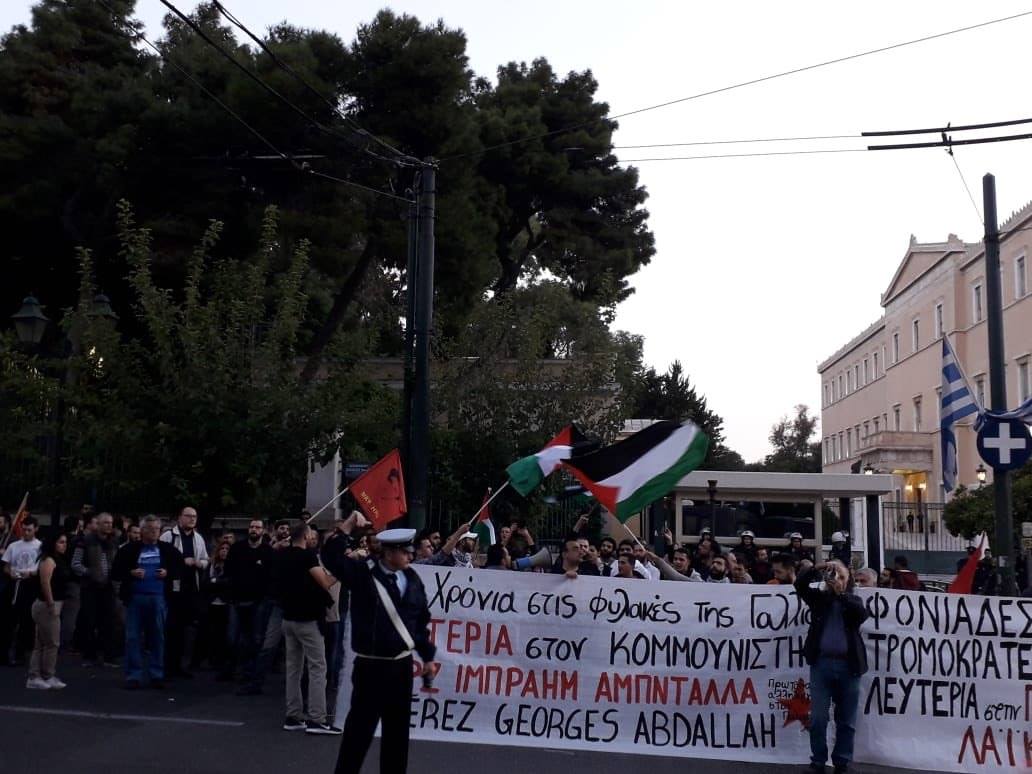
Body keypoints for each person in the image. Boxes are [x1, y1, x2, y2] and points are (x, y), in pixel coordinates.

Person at [325, 528, 436, 774]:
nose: (411, 557)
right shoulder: (363, 574)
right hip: (371, 667)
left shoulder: (413, 579)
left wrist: (427, 656)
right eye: (406, 552)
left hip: (401, 667)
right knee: (358, 734)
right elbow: (331, 558)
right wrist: (346, 528)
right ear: (390, 552)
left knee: (397, 736)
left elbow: (418, 621)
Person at [795, 560, 870, 774]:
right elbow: (800, 585)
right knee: (818, 718)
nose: (836, 579)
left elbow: (861, 615)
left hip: (849, 667)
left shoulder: (852, 601)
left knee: (846, 720)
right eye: (833, 576)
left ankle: (842, 762)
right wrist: (816, 568)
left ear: (848, 581)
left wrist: (841, 594)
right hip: (822, 665)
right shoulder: (819, 600)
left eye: (841, 576)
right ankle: (818, 761)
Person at [278, 522, 339, 735]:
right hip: (308, 619)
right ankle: (317, 718)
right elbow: (324, 582)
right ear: (305, 536)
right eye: (311, 534)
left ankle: (293, 715)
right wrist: (340, 572)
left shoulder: (283, 555)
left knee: (294, 668)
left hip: (288, 618)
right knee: (317, 668)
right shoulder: (307, 556)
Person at [112, 515, 183, 689]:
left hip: (158, 598)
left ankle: (156, 674)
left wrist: (168, 573)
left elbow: (180, 568)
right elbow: (115, 571)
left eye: (157, 529)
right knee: (133, 637)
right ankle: (133, 675)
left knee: (157, 637)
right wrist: (131, 573)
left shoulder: (167, 550)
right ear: (142, 531)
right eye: (150, 529)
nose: (154, 532)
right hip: (136, 598)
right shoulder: (129, 550)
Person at [225, 518, 274, 690]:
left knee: (255, 638)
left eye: (257, 527)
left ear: (263, 531)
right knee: (233, 638)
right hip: (237, 600)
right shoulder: (237, 548)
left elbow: (271, 576)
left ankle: (250, 672)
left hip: (258, 602)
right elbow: (228, 571)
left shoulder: (268, 551)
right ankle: (231, 669)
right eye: (251, 526)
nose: (254, 529)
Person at [160, 506, 210, 678]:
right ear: (180, 517)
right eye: (188, 516)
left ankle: (180, 666)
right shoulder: (169, 536)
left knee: (185, 629)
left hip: (191, 587)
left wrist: (198, 563)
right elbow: (162, 558)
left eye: (195, 516)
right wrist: (182, 561)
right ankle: (167, 666)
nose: (192, 519)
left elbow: (205, 559)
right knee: (171, 628)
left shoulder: (198, 538)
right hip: (173, 588)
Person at [71, 511, 120, 668]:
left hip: (108, 587)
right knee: (89, 621)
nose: (109, 526)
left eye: (111, 523)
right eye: (106, 522)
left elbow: (117, 563)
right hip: (90, 587)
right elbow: (76, 564)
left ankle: (108, 656)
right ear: (97, 524)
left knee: (109, 622)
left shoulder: (114, 542)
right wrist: (90, 572)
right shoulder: (85, 541)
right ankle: (89, 656)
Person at [26, 531, 70, 690]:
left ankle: (37, 674)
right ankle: (45, 675)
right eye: (61, 542)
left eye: (65, 542)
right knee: (52, 643)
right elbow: (45, 583)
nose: (64, 545)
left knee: (42, 642)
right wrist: (51, 604)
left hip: (53, 604)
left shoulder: (58, 559)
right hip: (47, 605)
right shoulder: (48, 560)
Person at [0, 515, 41, 666]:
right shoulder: (14, 545)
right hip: (13, 584)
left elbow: (42, 568)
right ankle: (4, 654)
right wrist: (9, 571)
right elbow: (6, 564)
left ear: (36, 529)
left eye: (29, 530)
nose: (26, 533)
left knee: (26, 622)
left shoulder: (40, 546)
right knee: (7, 621)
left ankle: (20, 654)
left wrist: (30, 573)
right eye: (24, 530)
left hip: (29, 586)